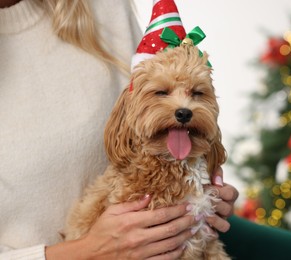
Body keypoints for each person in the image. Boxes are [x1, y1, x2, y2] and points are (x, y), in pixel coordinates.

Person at [0, 0, 239, 259]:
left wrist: (206, 188)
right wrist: (85, 252)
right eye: (164, 93)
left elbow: (148, 109)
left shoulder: (107, 7)